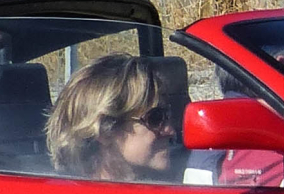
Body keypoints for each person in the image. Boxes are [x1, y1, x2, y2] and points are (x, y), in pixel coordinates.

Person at [47, 54, 186, 183]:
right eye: (155, 119)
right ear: (105, 131)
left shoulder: (171, 187)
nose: (170, 131)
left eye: (168, 115)